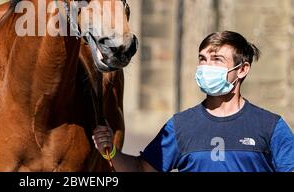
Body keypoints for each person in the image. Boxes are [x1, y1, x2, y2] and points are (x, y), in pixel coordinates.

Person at [92, 31, 294, 172]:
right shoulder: (181, 125)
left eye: (216, 59)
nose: (206, 66)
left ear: (242, 69)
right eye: (202, 59)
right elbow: (142, 169)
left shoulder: (271, 126)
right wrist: (111, 151)